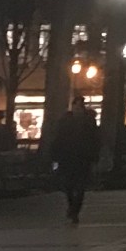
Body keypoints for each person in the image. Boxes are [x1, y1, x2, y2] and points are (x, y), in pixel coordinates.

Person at [50, 95, 101, 223]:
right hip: (68, 157)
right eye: (76, 107)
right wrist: (56, 156)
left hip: (83, 158)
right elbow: (58, 139)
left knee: (80, 186)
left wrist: (94, 157)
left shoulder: (89, 122)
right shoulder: (65, 121)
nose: (78, 110)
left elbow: (95, 140)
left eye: (80, 107)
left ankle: (75, 209)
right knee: (68, 185)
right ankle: (72, 206)